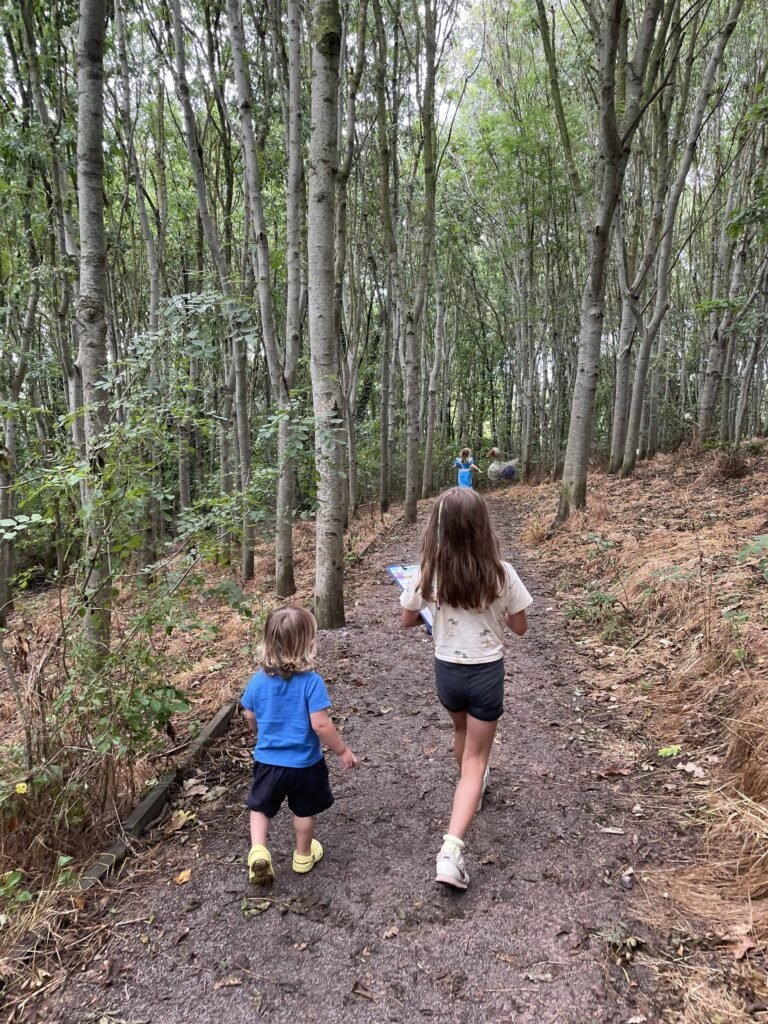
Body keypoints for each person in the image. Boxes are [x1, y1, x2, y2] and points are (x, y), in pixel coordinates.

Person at [399, 488, 531, 890]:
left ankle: (469, 790)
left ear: (438, 529)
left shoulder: (428, 572)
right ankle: (451, 851)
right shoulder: (501, 572)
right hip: (486, 672)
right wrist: (495, 614)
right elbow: (520, 626)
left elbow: (406, 619)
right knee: (476, 760)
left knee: (461, 734)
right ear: (481, 527)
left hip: (448, 673)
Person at [241, 606, 358, 885]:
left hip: (268, 762)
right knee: (304, 810)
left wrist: (260, 732)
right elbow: (321, 725)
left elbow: (249, 716)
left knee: (260, 807)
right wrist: (342, 750)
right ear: (308, 644)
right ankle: (303, 856)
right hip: (305, 763)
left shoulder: (257, 681)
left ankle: (258, 850)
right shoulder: (312, 682)